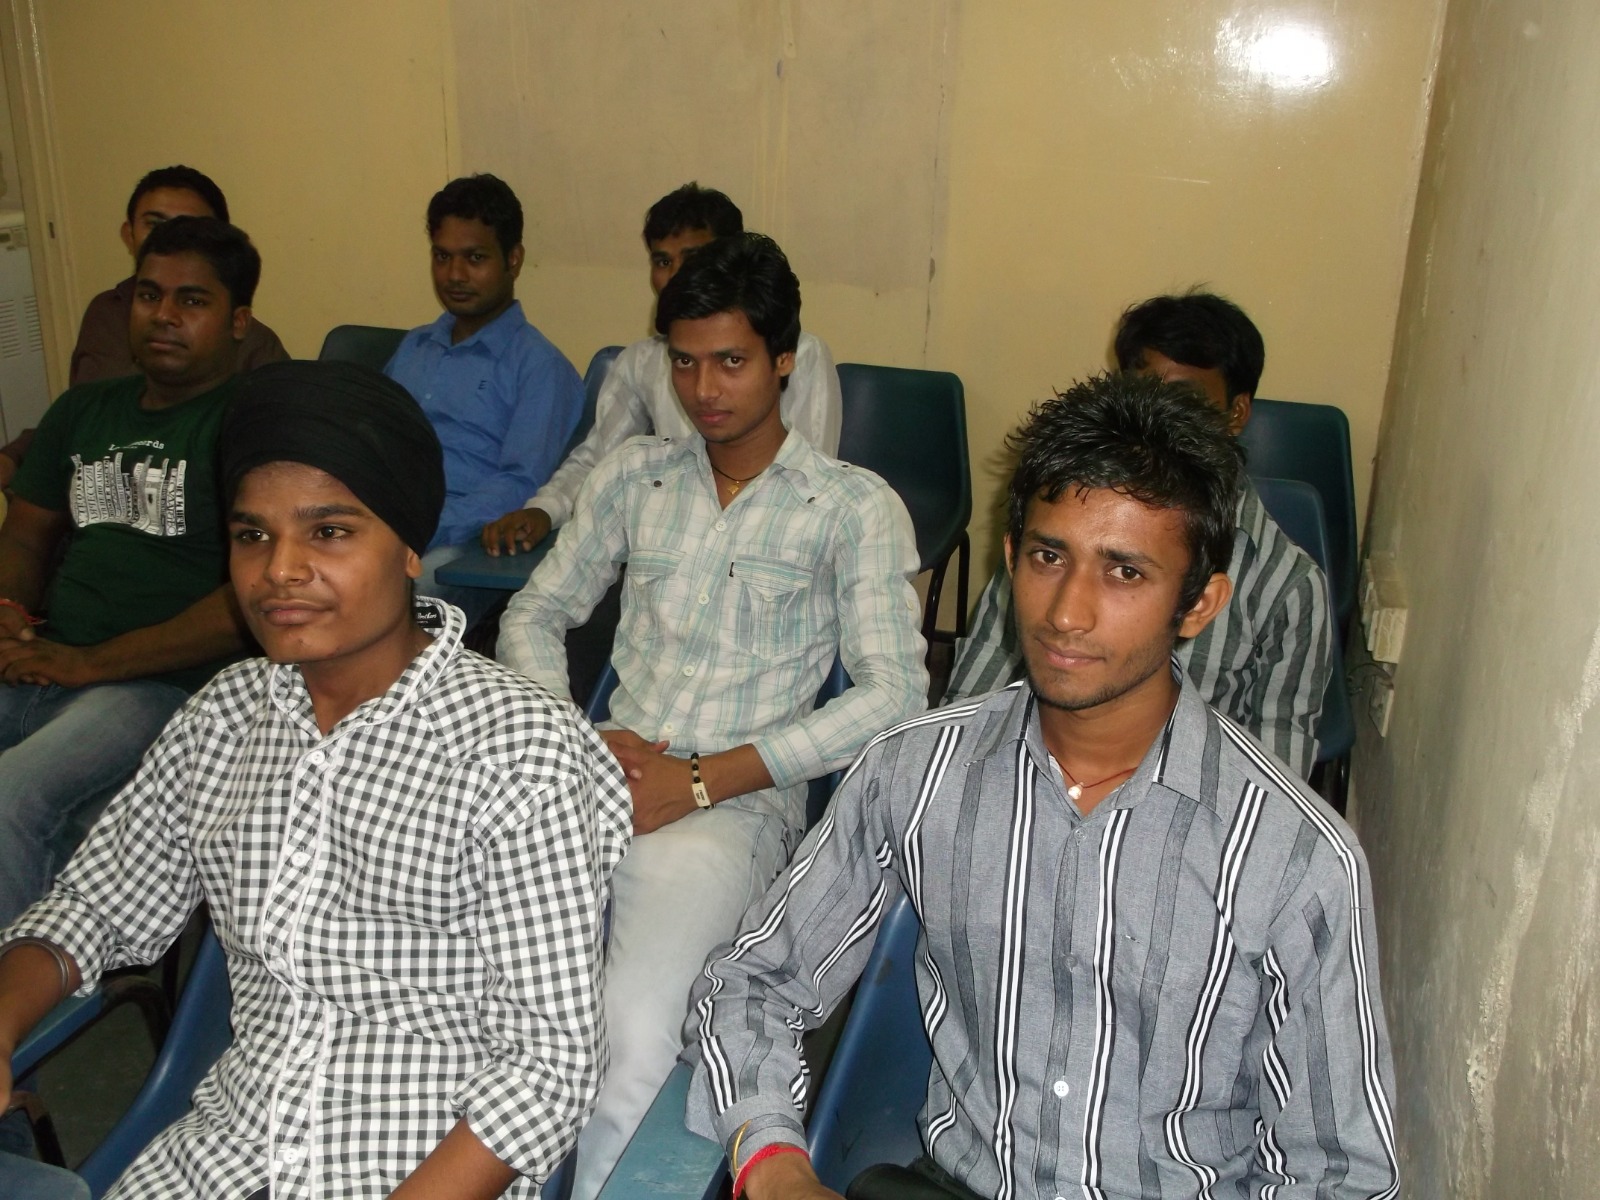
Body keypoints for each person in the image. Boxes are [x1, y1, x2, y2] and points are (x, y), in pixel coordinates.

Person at [685, 373, 1399, 1200]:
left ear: (1199, 604)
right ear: (1010, 556)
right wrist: (774, 1163)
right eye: (1048, 557)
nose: (1066, 612)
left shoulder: (1293, 855)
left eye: (1124, 573)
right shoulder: (918, 772)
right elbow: (751, 984)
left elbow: (1340, 1173)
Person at [0, 360, 632, 1199]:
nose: (280, 570)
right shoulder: (225, 720)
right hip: (227, 1155)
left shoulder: (519, 751)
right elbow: (95, 908)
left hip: (425, 1170)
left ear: (409, 547)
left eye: (328, 532)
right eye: (252, 536)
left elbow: (547, 1069)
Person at [497, 232, 928, 1200]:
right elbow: (535, 612)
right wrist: (577, 736)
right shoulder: (635, 475)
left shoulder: (849, 506)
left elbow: (896, 694)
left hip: (730, 807)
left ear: (784, 360)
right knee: (487, 999)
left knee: (635, 1035)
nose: (703, 389)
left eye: (730, 361)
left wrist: (699, 779)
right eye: (684, 363)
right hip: (596, 774)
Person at [945, 291, 1333, 778]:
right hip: (1027, 771)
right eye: (1142, 387)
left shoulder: (1287, 585)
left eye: (1185, 398)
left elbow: (1277, 758)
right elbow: (979, 683)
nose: (1158, 411)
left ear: (1236, 412)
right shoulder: (1056, 538)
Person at [0, 216, 260, 927]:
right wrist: (10, 614)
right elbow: (24, 536)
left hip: (163, 689)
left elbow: (249, 599)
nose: (164, 316)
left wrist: (90, 663)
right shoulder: (84, 410)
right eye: (149, 295)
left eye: (192, 300)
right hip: (49, 659)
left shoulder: (250, 426)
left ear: (238, 322)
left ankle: (27, 992)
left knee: (11, 797)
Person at [481, 182, 842, 557]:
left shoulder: (798, 353)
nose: (676, 275)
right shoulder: (641, 360)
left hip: (772, 548)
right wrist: (544, 509)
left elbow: (812, 478)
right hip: (669, 548)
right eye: (662, 262)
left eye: (693, 257)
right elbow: (598, 459)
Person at [384, 173, 584, 622]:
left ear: (513, 259)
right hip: (383, 524)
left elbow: (519, 485)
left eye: (475, 258)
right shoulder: (414, 347)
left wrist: (417, 528)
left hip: (463, 546)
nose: (455, 275)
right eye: (442, 257)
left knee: (386, 609)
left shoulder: (539, 366)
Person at [69, 165, 287, 386]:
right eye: (154, 224)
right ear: (129, 234)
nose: (170, 237)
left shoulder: (255, 341)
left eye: (193, 302)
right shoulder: (107, 314)